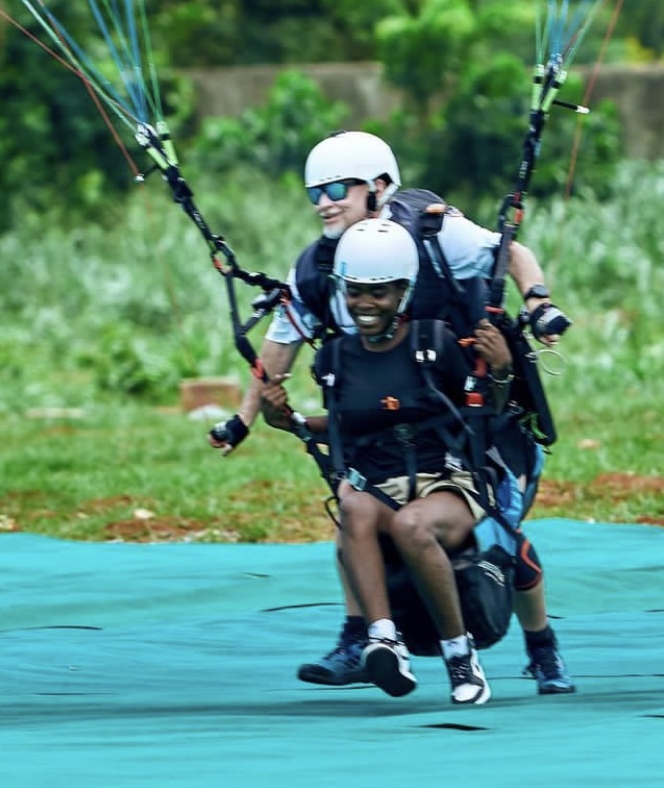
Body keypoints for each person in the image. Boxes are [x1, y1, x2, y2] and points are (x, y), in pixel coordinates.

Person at [210, 130, 574, 696]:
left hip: (480, 418)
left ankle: (542, 648)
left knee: (504, 539)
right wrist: (245, 417)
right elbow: (278, 351)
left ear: (380, 186)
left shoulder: (434, 232)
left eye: (337, 188)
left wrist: (539, 306)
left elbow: (513, 253)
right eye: (314, 193)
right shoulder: (320, 267)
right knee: (353, 519)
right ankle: (362, 639)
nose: (324, 202)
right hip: (394, 428)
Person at [261, 217, 514, 704]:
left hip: (448, 482)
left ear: (404, 291)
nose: (365, 304)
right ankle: (383, 639)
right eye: (355, 292)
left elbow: (485, 412)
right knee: (352, 504)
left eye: (378, 293)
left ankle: (461, 659)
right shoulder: (335, 358)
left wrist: (499, 369)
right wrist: (286, 419)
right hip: (380, 483)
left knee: (411, 526)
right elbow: (338, 425)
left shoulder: (435, 343)